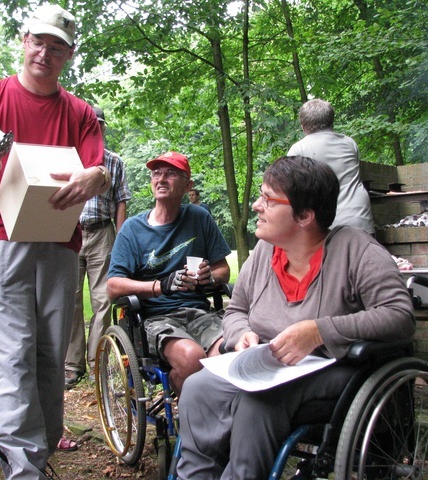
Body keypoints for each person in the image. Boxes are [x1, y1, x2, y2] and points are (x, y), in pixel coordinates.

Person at [0, 4, 108, 478]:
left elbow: (96, 168)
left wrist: (94, 177)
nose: (45, 52)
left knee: (50, 358)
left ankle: (36, 451)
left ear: (69, 54)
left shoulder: (80, 113)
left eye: (57, 46)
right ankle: (24, 467)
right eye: (39, 41)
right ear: (23, 40)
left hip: (59, 245)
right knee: (10, 356)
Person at [176, 156, 415, 479]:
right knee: (198, 387)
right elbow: (236, 311)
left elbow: (399, 316)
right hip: (267, 367)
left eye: (268, 199)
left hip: (335, 369)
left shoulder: (356, 250)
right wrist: (240, 334)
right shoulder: (263, 253)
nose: (257, 206)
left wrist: (319, 331)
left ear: (304, 215)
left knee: (258, 403)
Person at [107, 151, 231, 393]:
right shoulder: (133, 229)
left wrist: (209, 277)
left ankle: (212, 416)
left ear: (188, 185)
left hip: (198, 312)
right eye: (156, 173)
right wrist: (160, 286)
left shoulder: (199, 217)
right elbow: (113, 286)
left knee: (228, 351)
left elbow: (222, 270)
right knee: (192, 358)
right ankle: (190, 414)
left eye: (171, 173)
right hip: (156, 319)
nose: (161, 179)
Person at [65, 106, 132, 388]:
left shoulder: (114, 162)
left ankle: (97, 361)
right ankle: (72, 364)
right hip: (70, 232)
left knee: (103, 299)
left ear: (103, 128)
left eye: (99, 124)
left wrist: (118, 237)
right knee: (69, 299)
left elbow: (121, 201)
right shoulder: (69, 158)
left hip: (102, 231)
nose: (96, 129)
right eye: (91, 124)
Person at [288, 98, 375, 235]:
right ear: (331, 121)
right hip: (360, 217)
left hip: (328, 224)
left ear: (303, 125)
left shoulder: (298, 150)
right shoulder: (350, 143)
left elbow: (292, 191)